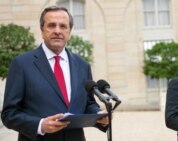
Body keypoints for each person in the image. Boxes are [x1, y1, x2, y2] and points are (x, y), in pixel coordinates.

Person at [1, 6, 108, 141]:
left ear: (69, 31)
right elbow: (9, 114)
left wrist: (99, 115)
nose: (57, 31)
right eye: (51, 25)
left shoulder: (82, 65)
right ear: (42, 30)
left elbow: (88, 104)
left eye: (63, 26)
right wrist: (40, 125)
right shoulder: (22, 64)